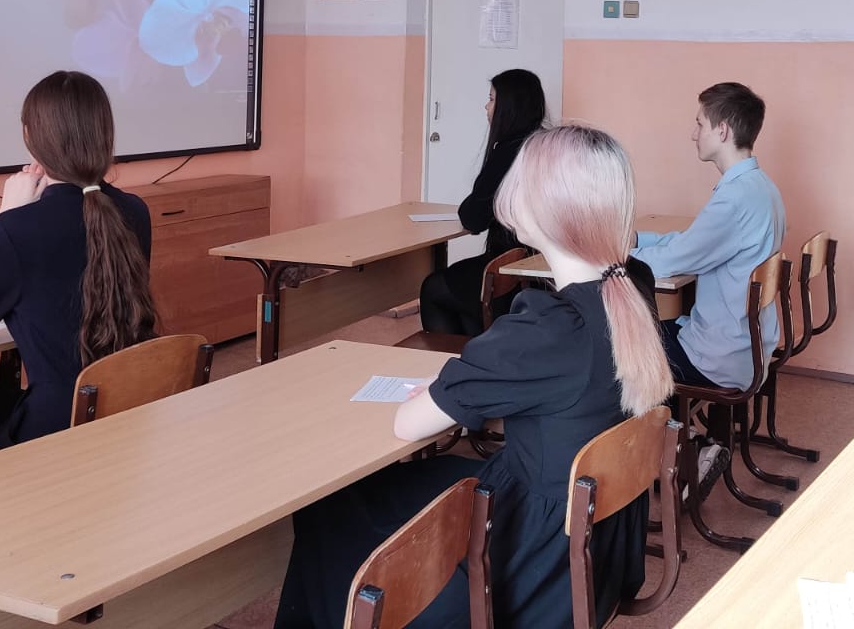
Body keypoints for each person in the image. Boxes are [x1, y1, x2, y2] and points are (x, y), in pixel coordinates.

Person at [274, 125, 671, 629]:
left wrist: (455, 386)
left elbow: (408, 424)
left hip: (527, 561)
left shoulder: (546, 329)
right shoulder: (632, 286)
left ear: (548, 208)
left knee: (330, 505)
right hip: (592, 550)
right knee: (407, 484)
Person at [0, 71, 155, 447]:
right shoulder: (134, 211)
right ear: (105, 134)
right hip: (126, 411)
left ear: (29, 136)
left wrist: (5, 214)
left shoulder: (15, 230)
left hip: (55, 430)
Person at [630, 82, 786, 392]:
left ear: (722, 131)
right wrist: (639, 241)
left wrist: (614, 256)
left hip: (720, 356)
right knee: (646, 330)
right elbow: (694, 243)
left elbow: (674, 260)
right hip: (749, 344)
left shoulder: (735, 198)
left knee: (617, 344)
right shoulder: (761, 186)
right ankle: (672, 417)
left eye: (700, 124)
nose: (694, 134)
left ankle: (663, 420)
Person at [418, 68, 546, 336]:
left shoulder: (509, 152)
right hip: (539, 270)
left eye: (491, 99)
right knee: (462, 299)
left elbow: (473, 218)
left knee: (434, 288)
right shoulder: (546, 145)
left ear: (509, 108)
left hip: (512, 271)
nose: (486, 107)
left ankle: (458, 358)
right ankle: (477, 352)